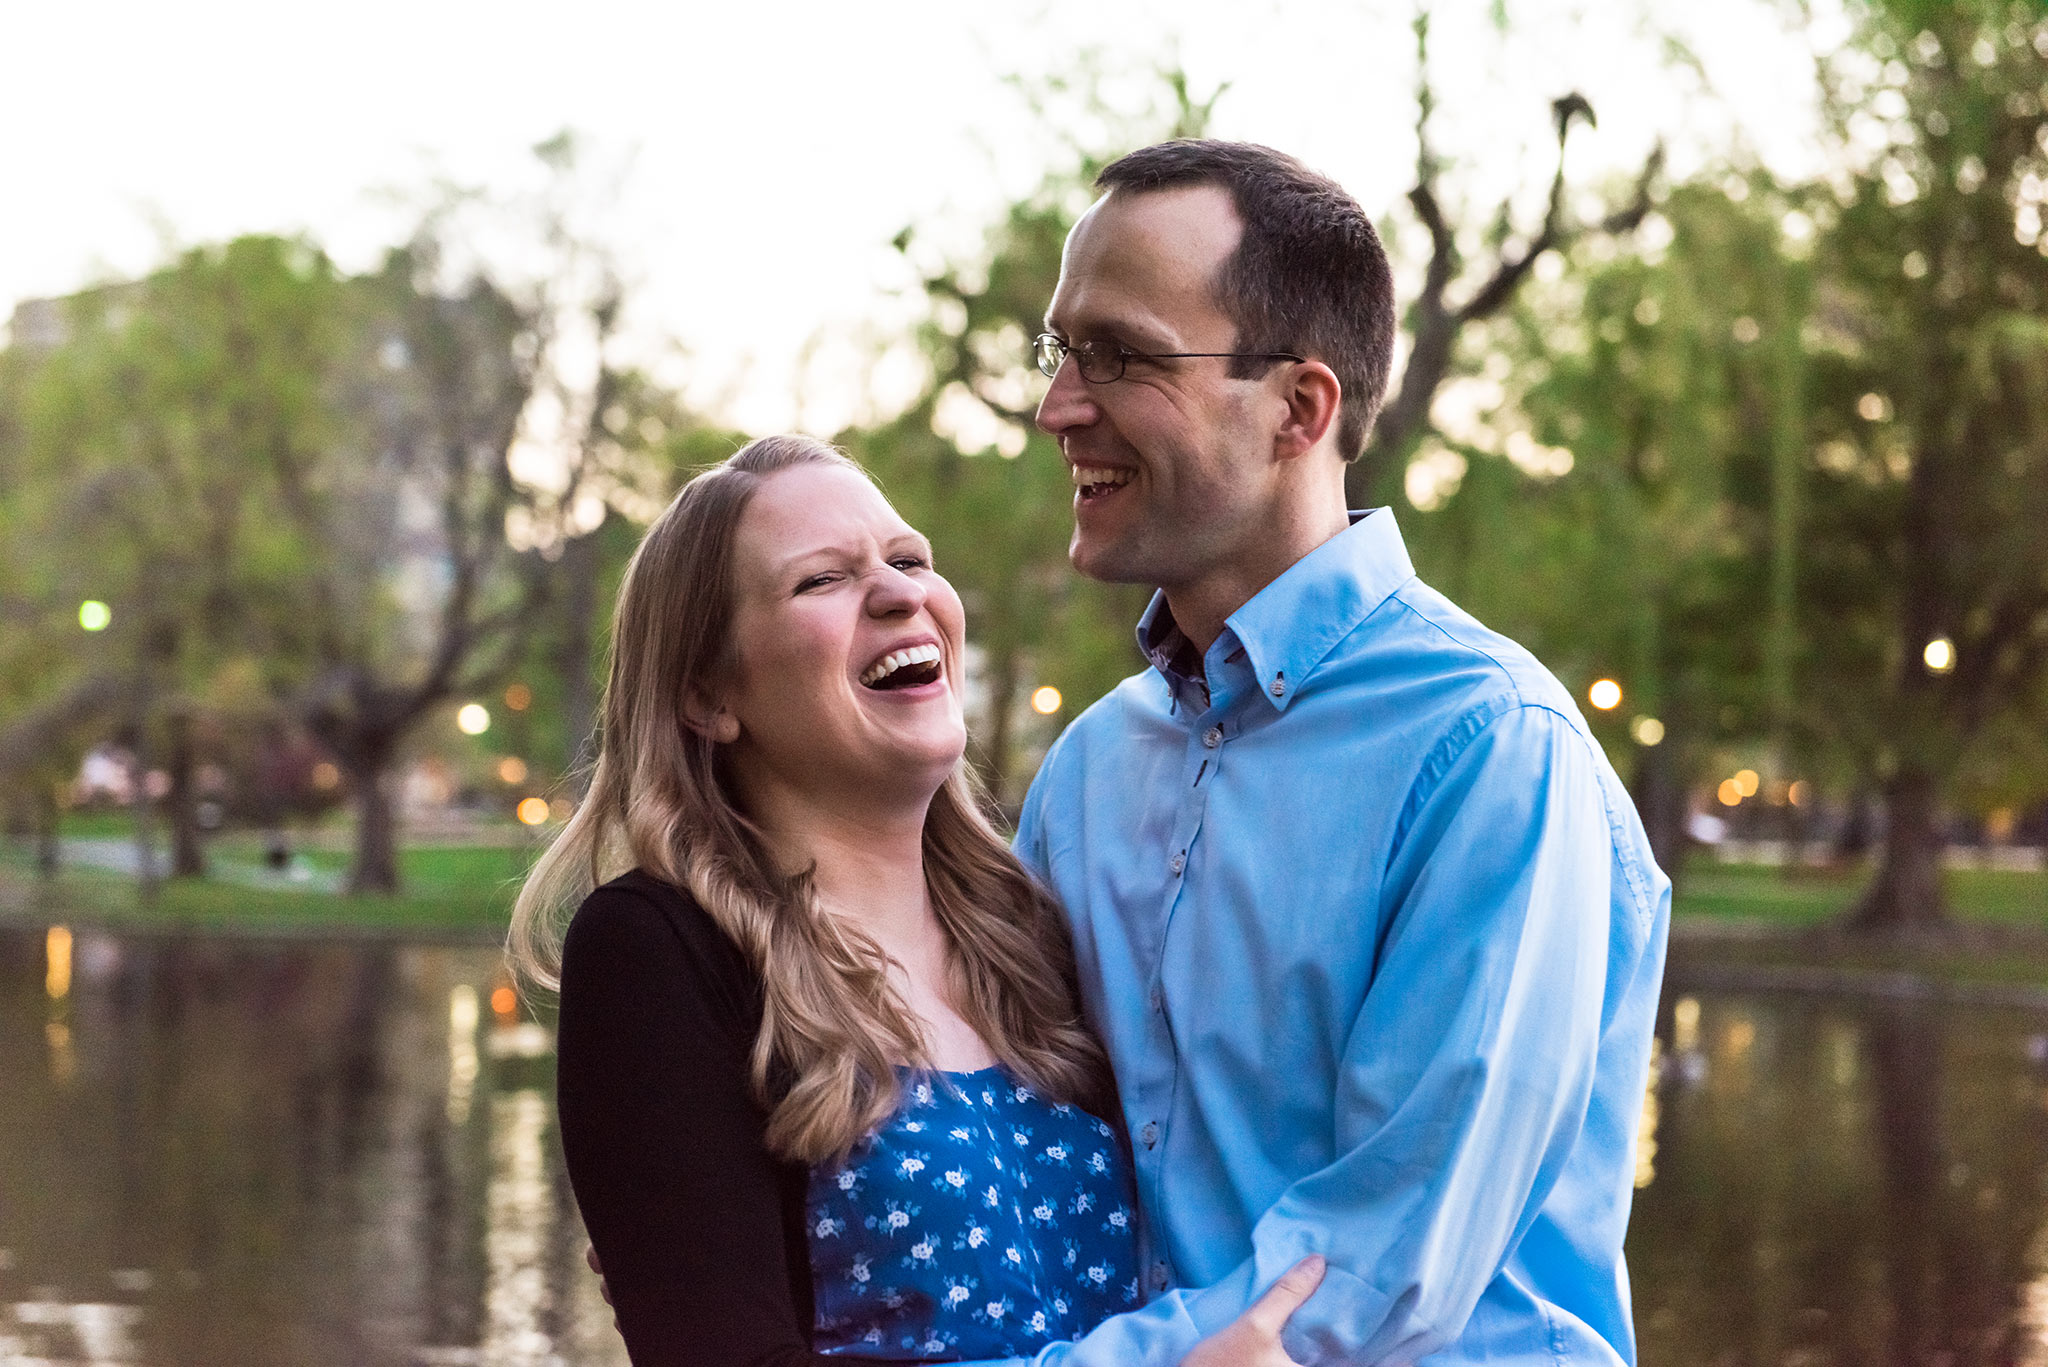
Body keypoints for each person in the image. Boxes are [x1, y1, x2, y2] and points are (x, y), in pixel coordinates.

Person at [1008, 140, 1671, 1366]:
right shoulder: (1084, 776)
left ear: (1298, 410)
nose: (1058, 405)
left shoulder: (1487, 755)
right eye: (1059, 351)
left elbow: (1363, 1280)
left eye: (1121, 355)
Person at [510, 434, 1323, 1365]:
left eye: (909, 559)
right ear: (708, 693)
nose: (901, 592)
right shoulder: (656, 953)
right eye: (821, 580)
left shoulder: (1039, 931)